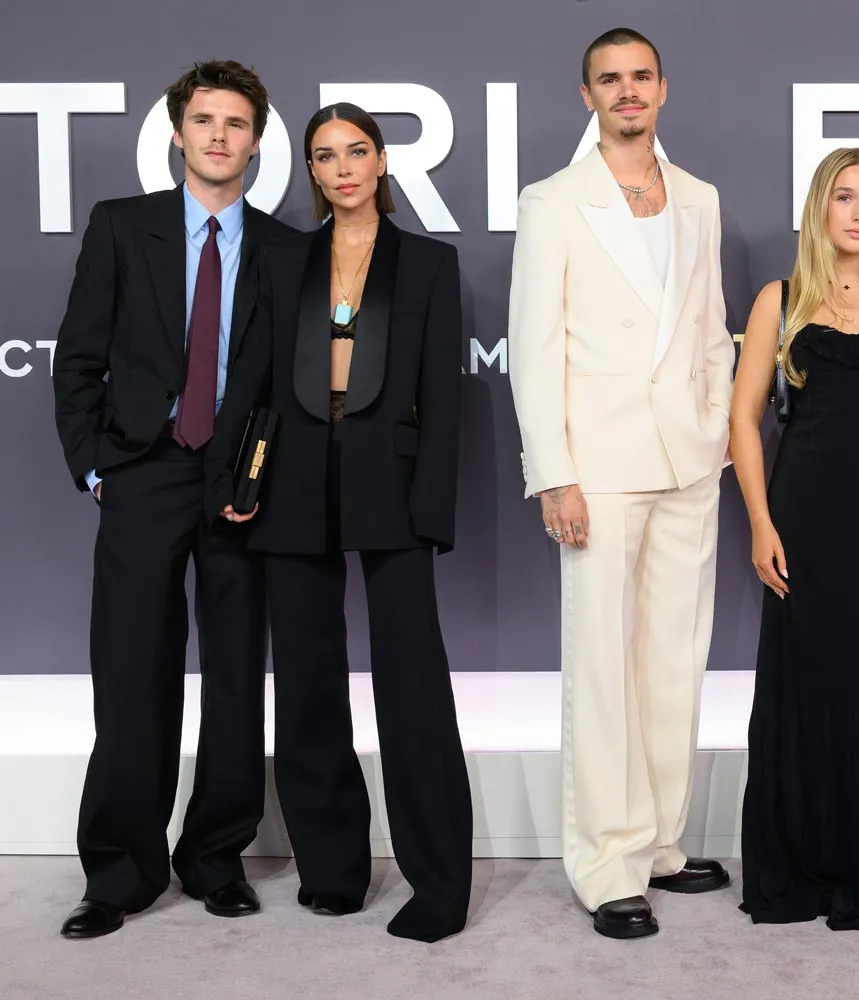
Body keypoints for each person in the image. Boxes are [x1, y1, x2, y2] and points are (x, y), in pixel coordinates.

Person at [206, 103, 472, 943]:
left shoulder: (429, 263)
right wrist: (235, 478)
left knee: (412, 686)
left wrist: (432, 509)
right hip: (290, 480)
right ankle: (332, 871)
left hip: (389, 483)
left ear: (383, 161)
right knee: (311, 686)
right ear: (312, 172)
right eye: (325, 156)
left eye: (357, 151)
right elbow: (249, 378)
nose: (343, 167)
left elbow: (444, 399)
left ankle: (438, 883)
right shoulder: (284, 260)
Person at [51, 60, 295, 939]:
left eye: (236, 123)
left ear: (257, 141)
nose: (220, 136)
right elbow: (77, 358)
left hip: (238, 486)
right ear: (179, 133)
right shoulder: (123, 228)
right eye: (205, 121)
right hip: (142, 475)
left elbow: (285, 391)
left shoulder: (283, 248)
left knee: (234, 676)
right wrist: (96, 466)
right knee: (130, 675)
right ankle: (118, 872)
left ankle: (215, 857)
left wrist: (260, 478)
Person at [507, 27, 737, 940]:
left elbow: (712, 326)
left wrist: (717, 432)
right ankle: (607, 864)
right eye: (611, 79)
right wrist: (553, 473)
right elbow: (534, 345)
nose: (627, 91)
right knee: (603, 665)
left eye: (640, 77)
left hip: (688, 461)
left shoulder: (701, 198)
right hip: (596, 469)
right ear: (587, 95)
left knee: (675, 656)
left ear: (663, 89)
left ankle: (661, 843)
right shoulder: (554, 200)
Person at [730, 147, 859, 931]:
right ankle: (795, 872)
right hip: (801, 527)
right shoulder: (777, 301)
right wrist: (760, 522)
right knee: (799, 696)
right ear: (819, 208)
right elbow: (744, 420)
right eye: (844, 196)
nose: (858, 212)